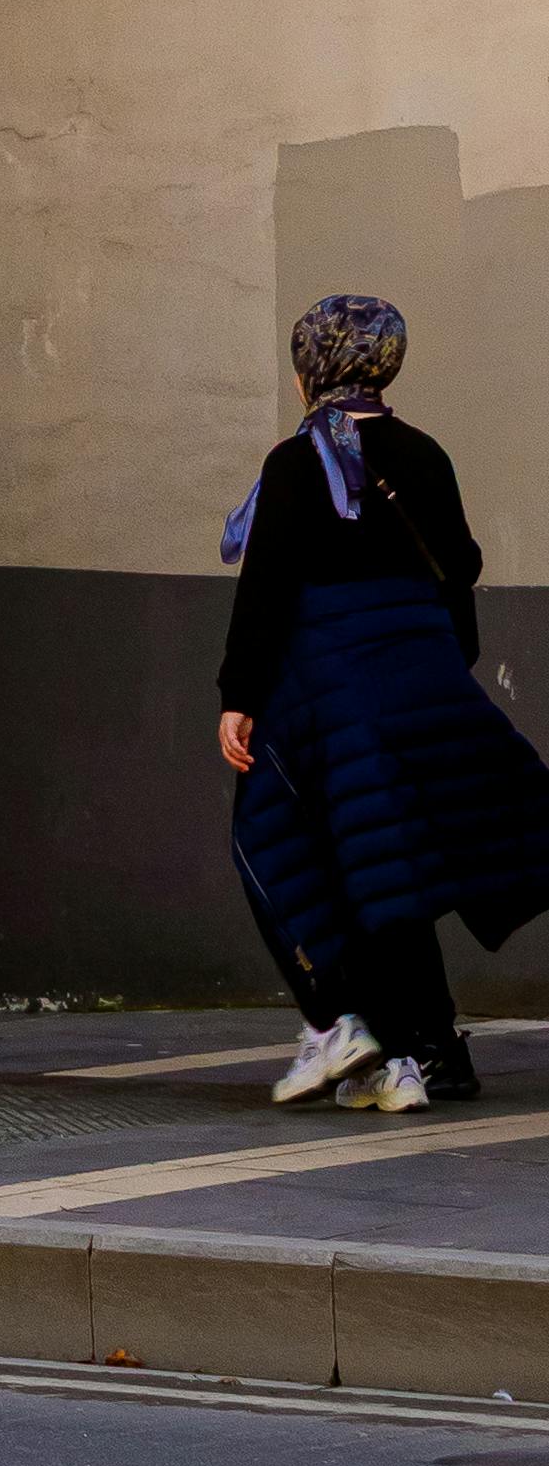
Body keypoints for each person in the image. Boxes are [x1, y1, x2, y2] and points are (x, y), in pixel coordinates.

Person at [219, 292, 549, 1113]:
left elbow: (265, 589)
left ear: (312, 367)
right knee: (386, 862)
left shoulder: (295, 464)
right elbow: (456, 569)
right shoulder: (423, 453)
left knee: (278, 843)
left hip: (332, 697)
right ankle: (425, 1052)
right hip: (425, 684)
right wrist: (434, 671)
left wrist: (239, 695)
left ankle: (343, 1026)